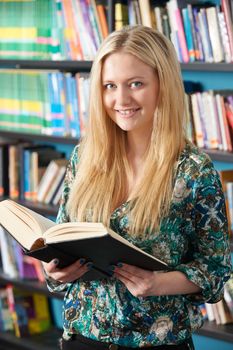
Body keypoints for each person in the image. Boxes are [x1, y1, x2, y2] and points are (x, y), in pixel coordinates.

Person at [43, 25, 231, 350]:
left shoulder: (193, 170)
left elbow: (216, 270)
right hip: (82, 337)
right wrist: (55, 272)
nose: (121, 99)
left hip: (158, 343)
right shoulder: (84, 157)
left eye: (136, 84)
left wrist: (157, 283)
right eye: (110, 86)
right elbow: (61, 237)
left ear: (163, 85)